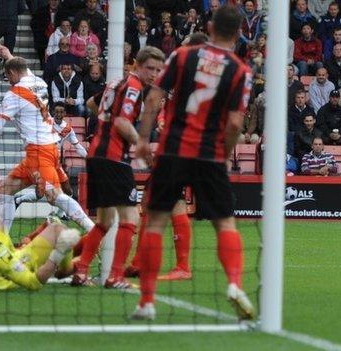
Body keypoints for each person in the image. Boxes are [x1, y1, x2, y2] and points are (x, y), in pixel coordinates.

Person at [133, 5, 255, 321]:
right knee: (224, 224)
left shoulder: (183, 56)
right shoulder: (241, 71)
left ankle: (146, 302)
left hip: (173, 150)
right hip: (210, 156)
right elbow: (233, 124)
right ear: (239, 32)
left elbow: (153, 98)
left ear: (211, 26)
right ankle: (234, 284)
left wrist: (144, 139)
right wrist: (224, 155)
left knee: (156, 223)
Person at [0, 40, 95, 237]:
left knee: (54, 196)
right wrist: (8, 55)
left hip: (40, 151)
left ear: (13, 73)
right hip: (46, 147)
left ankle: (94, 231)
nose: (8, 80)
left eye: (7, 76)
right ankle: (2, 241)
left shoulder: (14, 94)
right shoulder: (38, 81)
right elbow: (19, 67)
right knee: (5, 189)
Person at [71, 46, 165, 289]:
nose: (154, 74)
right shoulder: (134, 88)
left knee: (104, 220)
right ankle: (115, 276)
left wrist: (106, 122)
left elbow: (92, 104)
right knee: (130, 218)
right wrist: (141, 145)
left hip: (96, 156)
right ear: (137, 66)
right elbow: (123, 122)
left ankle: (81, 271)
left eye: (158, 69)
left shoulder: (116, 83)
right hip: (114, 158)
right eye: (150, 68)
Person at [0, 0, 25, 70]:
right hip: (12, 22)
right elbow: (22, 8)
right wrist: (14, 12)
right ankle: (6, 70)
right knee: (9, 46)